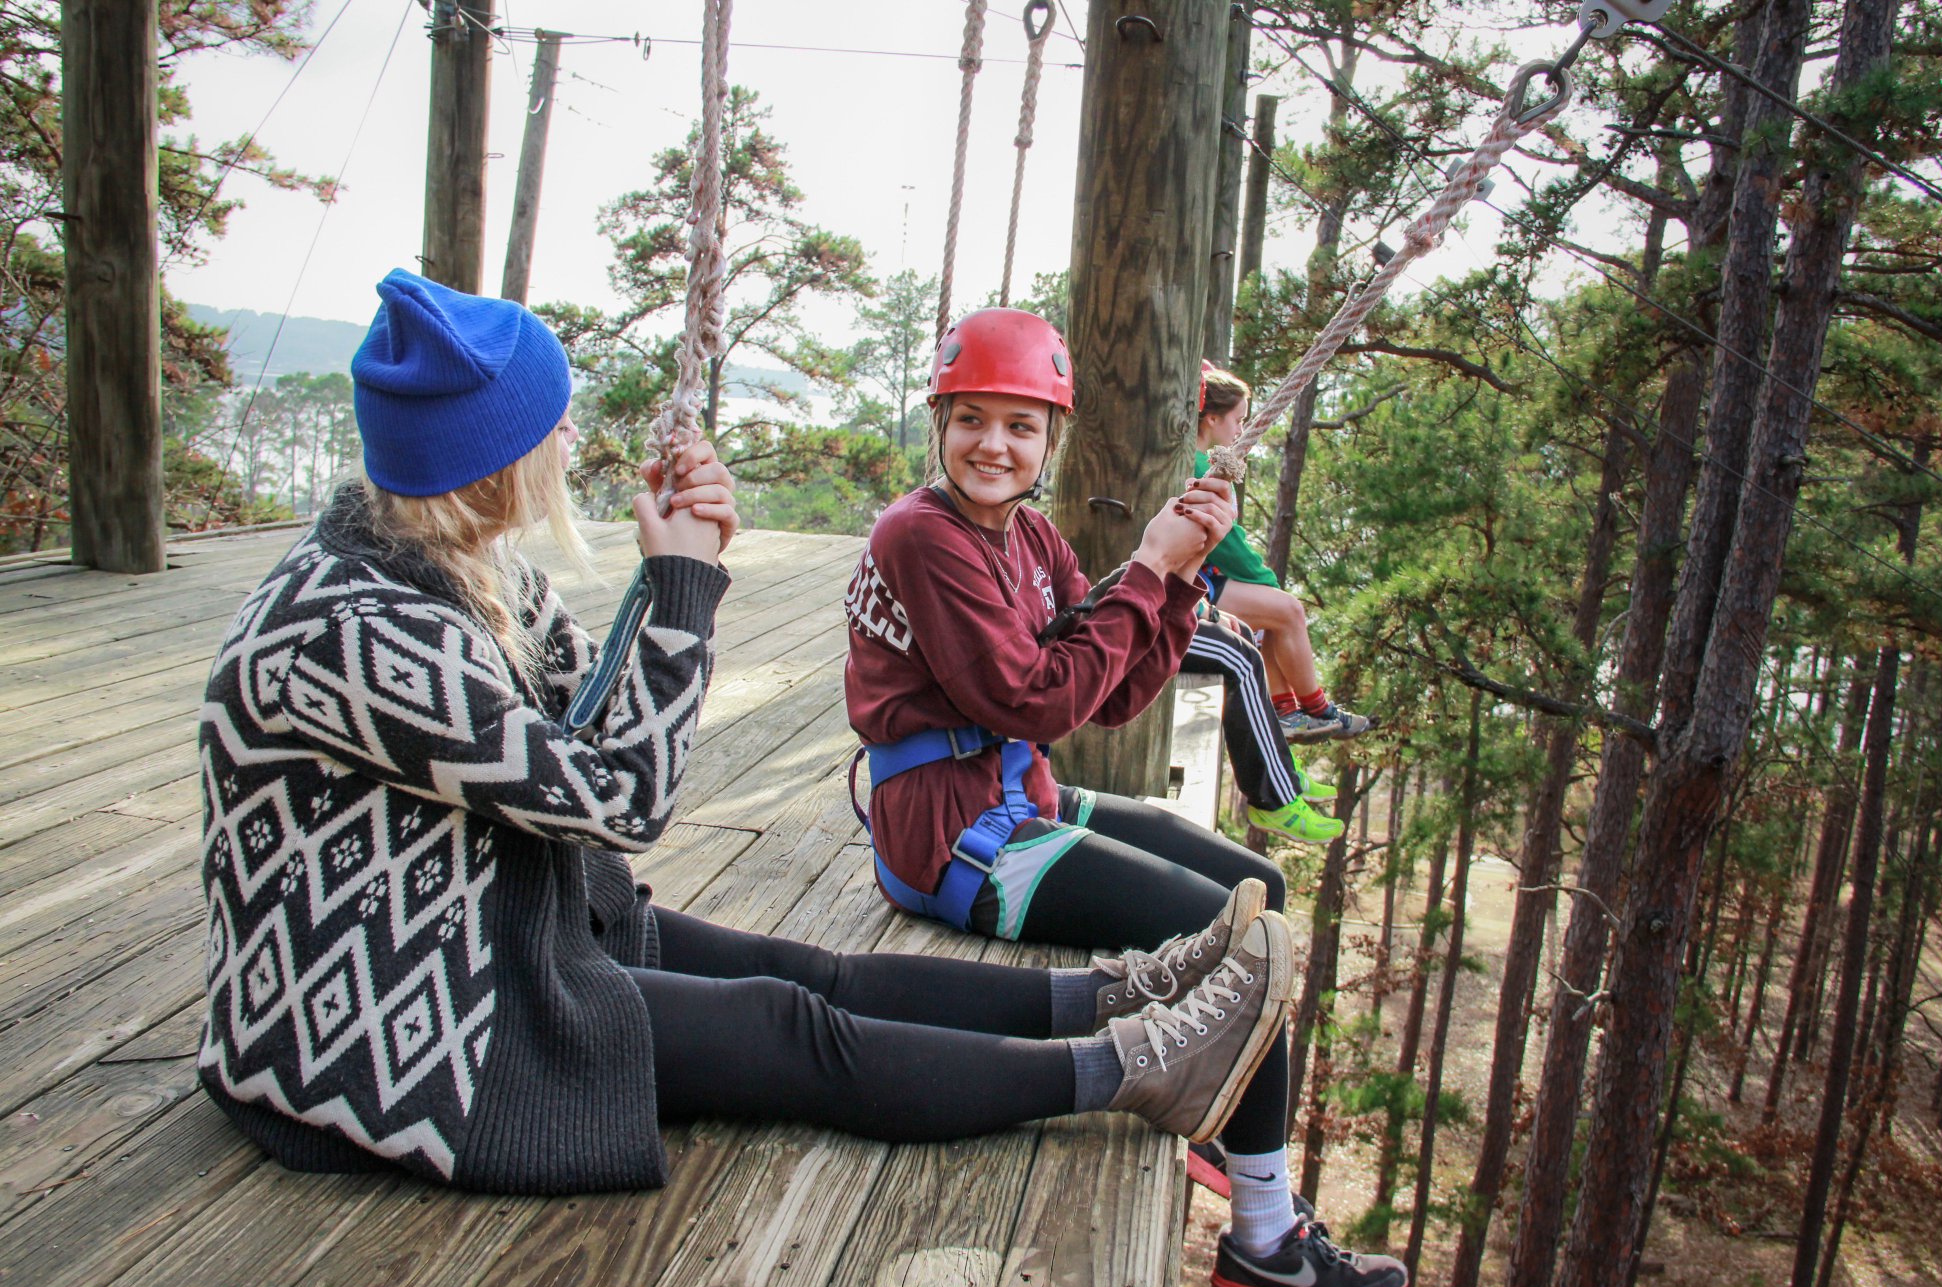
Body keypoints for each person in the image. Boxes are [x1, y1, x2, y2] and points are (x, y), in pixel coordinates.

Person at [194, 269, 1299, 1207]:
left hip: (506, 926)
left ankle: (1112, 997)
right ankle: (1134, 1068)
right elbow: (619, 798)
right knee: (786, 1030)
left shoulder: (459, 572)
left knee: (805, 971)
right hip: (411, 1027)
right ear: (488, 456)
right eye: (549, 424)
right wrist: (680, 586)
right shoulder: (348, 631)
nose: (569, 438)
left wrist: (672, 575)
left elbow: (587, 720)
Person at [844, 307, 1408, 1287]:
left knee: (1257, 887)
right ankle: (1265, 1233)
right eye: (971, 420)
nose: (992, 445)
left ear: (1050, 441)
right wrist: (1147, 564)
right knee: (1236, 935)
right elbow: (1033, 700)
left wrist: (1179, 582)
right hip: (953, 836)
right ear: (940, 425)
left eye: (1019, 426)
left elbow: (1107, 696)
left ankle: (1233, 1127)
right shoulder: (921, 536)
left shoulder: (1029, 539)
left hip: (1016, 794)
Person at [1193, 363, 1375, 743]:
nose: (1241, 430)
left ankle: (1288, 711)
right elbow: (1226, 542)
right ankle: (1318, 710)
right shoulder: (1199, 465)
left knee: (1278, 613)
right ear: (1212, 418)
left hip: (1202, 578)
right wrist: (1263, 579)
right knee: (1289, 610)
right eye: (1238, 420)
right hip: (1197, 584)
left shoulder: (1203, 462)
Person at [1182, 601, 1345, 842]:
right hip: (1141, 622)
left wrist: (1203, 607)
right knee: (1241, 659)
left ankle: (1281, 771)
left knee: (1242, 632)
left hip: (1158, 607)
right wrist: (1204, 611)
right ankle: (1276, 802)